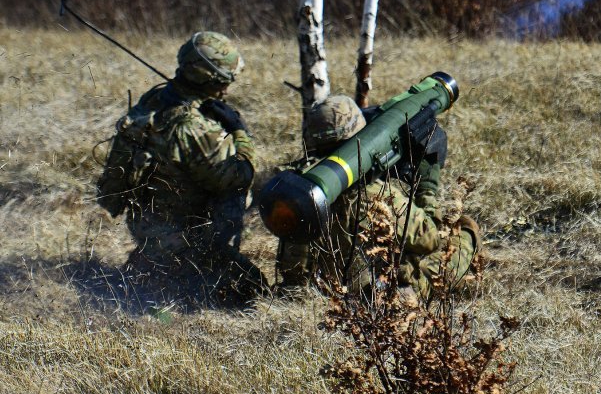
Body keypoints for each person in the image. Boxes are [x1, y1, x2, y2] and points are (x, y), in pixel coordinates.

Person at [96, 31, 267, 300]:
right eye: (226, 78)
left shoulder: (152, 101)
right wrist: (239, 132)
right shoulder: (192, 128)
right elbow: (241, 176)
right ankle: (180, 272)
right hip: (186, 240)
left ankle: (151, 263)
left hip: (147, 228)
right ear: (212, 79)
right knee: (253, 289)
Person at [275, 95, 481, 303]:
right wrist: (427, 185)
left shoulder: (299, 191)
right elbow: (430, 240)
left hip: (320, 293)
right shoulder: (376, 195)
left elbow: (294, 269)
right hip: (376, 301)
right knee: (466, 230)